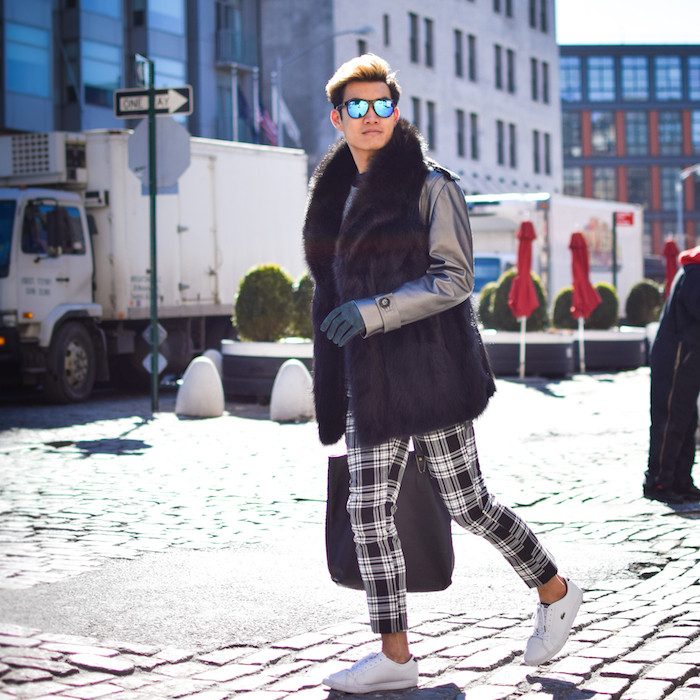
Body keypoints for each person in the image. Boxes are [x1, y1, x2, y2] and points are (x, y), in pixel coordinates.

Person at [303, 54, 582, 694]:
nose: (370, 118)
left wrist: (371, 313)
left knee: (469, 505)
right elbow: (330, 287)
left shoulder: (433, 185)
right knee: (368, 511)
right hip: (369, 382)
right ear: (338, 117)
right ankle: (396, 657)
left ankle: (556, 590)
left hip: (429, 373)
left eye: (381, 106)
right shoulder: (333, 193)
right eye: (356, 107)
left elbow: (455, 280)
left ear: (395, 112)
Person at [644, 245, 700, 504]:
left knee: (687, 421)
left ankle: (680, 479)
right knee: (670, 421)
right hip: (677, 357)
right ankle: (659, 481)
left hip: (687, 358)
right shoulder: (695, 272)